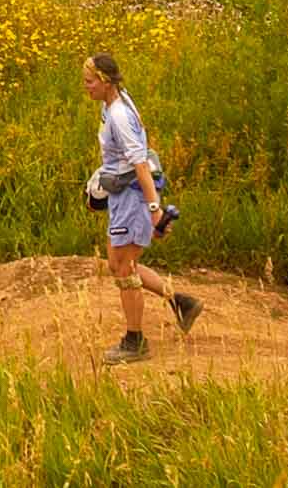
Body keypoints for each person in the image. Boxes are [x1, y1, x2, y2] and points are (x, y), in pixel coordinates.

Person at [82, 51, 203, 363]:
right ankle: (181, 303)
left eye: (90, 81)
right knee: (118, 264)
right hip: (122, 194)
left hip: (133, 197)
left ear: (106, 82)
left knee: (124, 270)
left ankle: (135, 342)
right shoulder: (114, 102)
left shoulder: (120, 116)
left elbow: (140, 163)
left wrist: (154, 209)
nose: (86, 87)